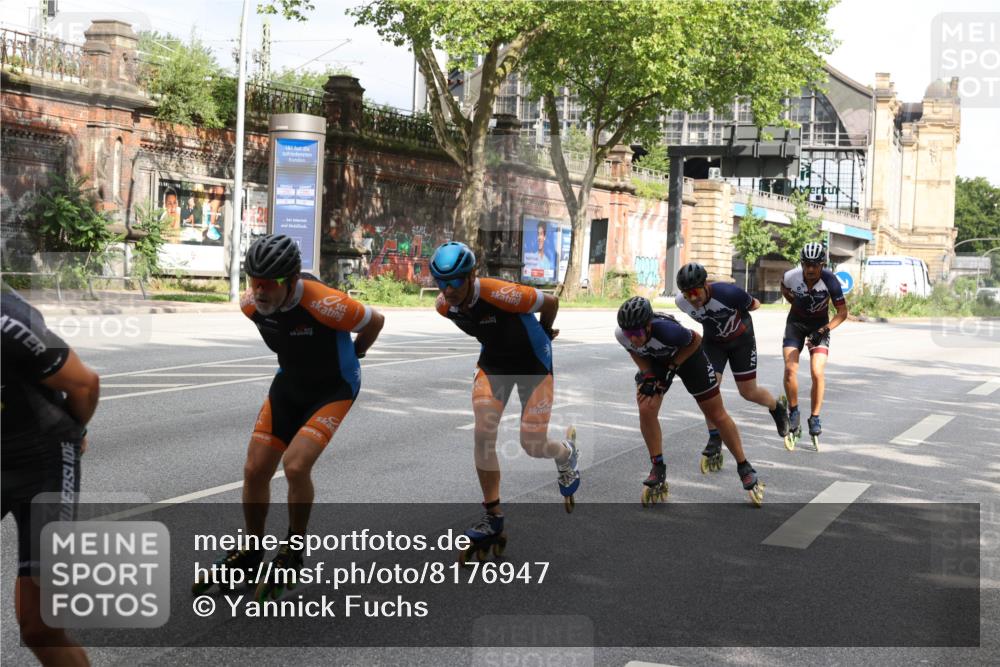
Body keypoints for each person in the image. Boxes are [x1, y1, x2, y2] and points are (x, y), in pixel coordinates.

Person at [199, 234, 384, 600]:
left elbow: (375, 321)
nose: (260, 290)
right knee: (254, 469)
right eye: (254, 280)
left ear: (293, 280)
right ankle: (252, 551)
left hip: (334, 387)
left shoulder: (327, 303)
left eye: (271, 282)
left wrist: (356, 355)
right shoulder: (251, 305)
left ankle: (294, 549)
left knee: (296, 466)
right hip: (291, 383)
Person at [429, 241, 579, 560]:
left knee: (532, 444)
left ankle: (565, 453)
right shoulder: (444, 306)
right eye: (440, 282)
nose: (448, 289)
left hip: (532, 360)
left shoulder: (500, 292)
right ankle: (493, 517)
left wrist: (545, 330)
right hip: (494, 362)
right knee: (483, 433)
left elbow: (549, 302)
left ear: (471, 276)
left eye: (455, 280)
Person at [2, 283, 100, 666]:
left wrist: (76, 430)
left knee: (39, 627)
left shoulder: (9, 321)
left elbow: (84, 383)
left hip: (43, 463)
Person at [615, 296, 765, 506]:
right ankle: (657, 468)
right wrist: (648, 374)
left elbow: (695, 340)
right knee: (646, 407)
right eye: (629, 334)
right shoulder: (623, 335)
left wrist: (672, 367)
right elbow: (635, 352)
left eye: (638, 333)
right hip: (658, 361)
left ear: (649, 325)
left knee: (716, 414)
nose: (634, 338)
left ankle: (744, 467)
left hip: (690, 359)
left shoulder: (669, 331)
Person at [674, 263, 789, 471]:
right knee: (709, 391)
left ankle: (776, 407)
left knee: (748, 392)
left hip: (741, 342)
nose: (692, 298)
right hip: (713, 344)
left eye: (695, 292)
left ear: (706, 285)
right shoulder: (682, 303)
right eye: (686, 294)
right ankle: (714, 438)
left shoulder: (728, 293)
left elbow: (755, 305)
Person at [780, 242, 849, 447]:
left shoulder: (831, 281)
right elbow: (784, 287)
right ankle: (793, 411)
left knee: (817, 371)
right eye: (806, 264)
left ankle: (815, 417)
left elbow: (842, 313)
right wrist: (791, 299)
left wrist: (824, 330)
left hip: (820, 327)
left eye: (815, 265)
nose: (810, 269)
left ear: (822, 265)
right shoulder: (791, 276)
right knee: (790, 369)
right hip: (795, 325)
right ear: (801, 264)